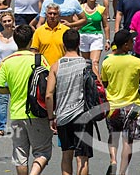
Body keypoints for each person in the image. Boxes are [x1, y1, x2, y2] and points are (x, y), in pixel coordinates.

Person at [0, 25, 52, 175]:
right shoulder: (39, 59)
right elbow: (50, 83)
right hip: (37, 112)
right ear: (31, 40)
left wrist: (12, 90)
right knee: (42, 152)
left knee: (20, 156)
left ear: (15, 40)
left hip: (16, 113)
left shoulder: (7, 61)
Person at [101, 29, 140, 175]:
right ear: (125, 45)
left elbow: (104, 82)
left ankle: (113, 161)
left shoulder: (107, 62)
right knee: (127, 141)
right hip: (132, 107)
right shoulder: (137, 62)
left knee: (113, 135)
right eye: (130, 41)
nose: (133, 42)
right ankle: (122, 172)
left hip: (112, 106)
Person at [45, 29, 93, 175]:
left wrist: (51, 117)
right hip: (83, 116)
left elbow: (48, 95)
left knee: (66, 155)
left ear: (63, 45)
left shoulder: (56, 66)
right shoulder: (87, 64)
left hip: (63, 117)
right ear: (79, 43)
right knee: (82, 158)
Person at [77, 0, 110, 80]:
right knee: (86, 63)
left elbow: (106, 25)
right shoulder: (80, 8)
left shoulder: (101, 9)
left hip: (96, 36)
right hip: (83, 36)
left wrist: (107, 40)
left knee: (94, 62)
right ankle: (87, 84)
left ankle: (98, 86)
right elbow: (76, 22)